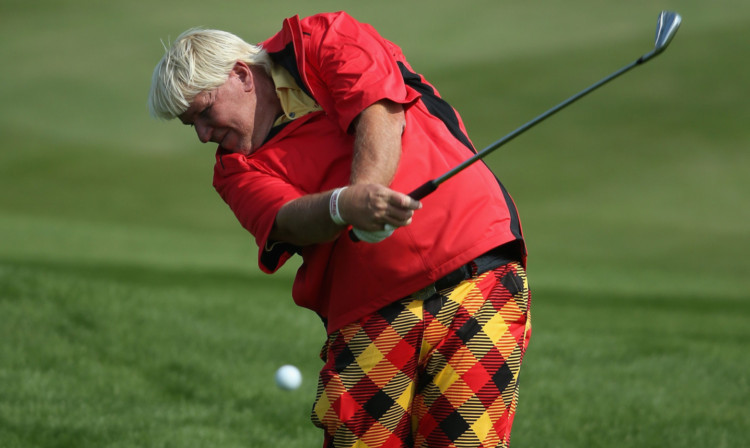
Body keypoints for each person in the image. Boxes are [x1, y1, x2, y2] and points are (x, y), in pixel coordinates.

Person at [148, 11, 531, 448]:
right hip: (367, 310)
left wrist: (364, 191)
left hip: (476, 269)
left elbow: (381, 110)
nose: (201, 135)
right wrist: (343, 206)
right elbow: (285, 218)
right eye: (190, 125)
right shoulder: (233, 171)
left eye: (204, 113)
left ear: (241, 75)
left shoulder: (319, 39)